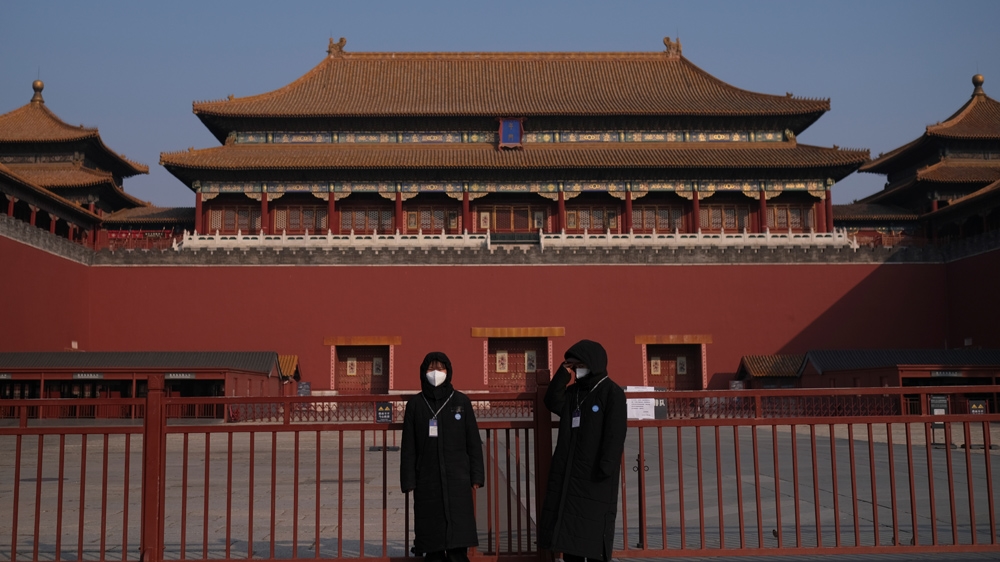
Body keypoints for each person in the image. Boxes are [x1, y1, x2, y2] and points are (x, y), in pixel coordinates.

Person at [538, 339, 627, 562]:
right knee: (570, 536)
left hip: (596, 475)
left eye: (579, 365)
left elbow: (615, 434)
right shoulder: (573, 393)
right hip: (569, 472)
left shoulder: (612, 393)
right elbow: (551, 400)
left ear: (593, 363)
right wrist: (562, 372)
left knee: (593, 537)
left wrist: (606, 466)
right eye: (573, 366)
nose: (577, 370)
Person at [400, 351, 485, 562]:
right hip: (427, 478)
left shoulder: (461, 402)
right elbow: (408, 446)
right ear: (423, 372)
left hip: (458, 477)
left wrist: (476, 476)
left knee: (458, 541)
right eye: (431, 369)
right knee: (432, 540)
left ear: (448, 371)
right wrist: (408, 480)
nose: (436, 373)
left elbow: (473, 442)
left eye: (440, 368)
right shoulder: (416, 405)